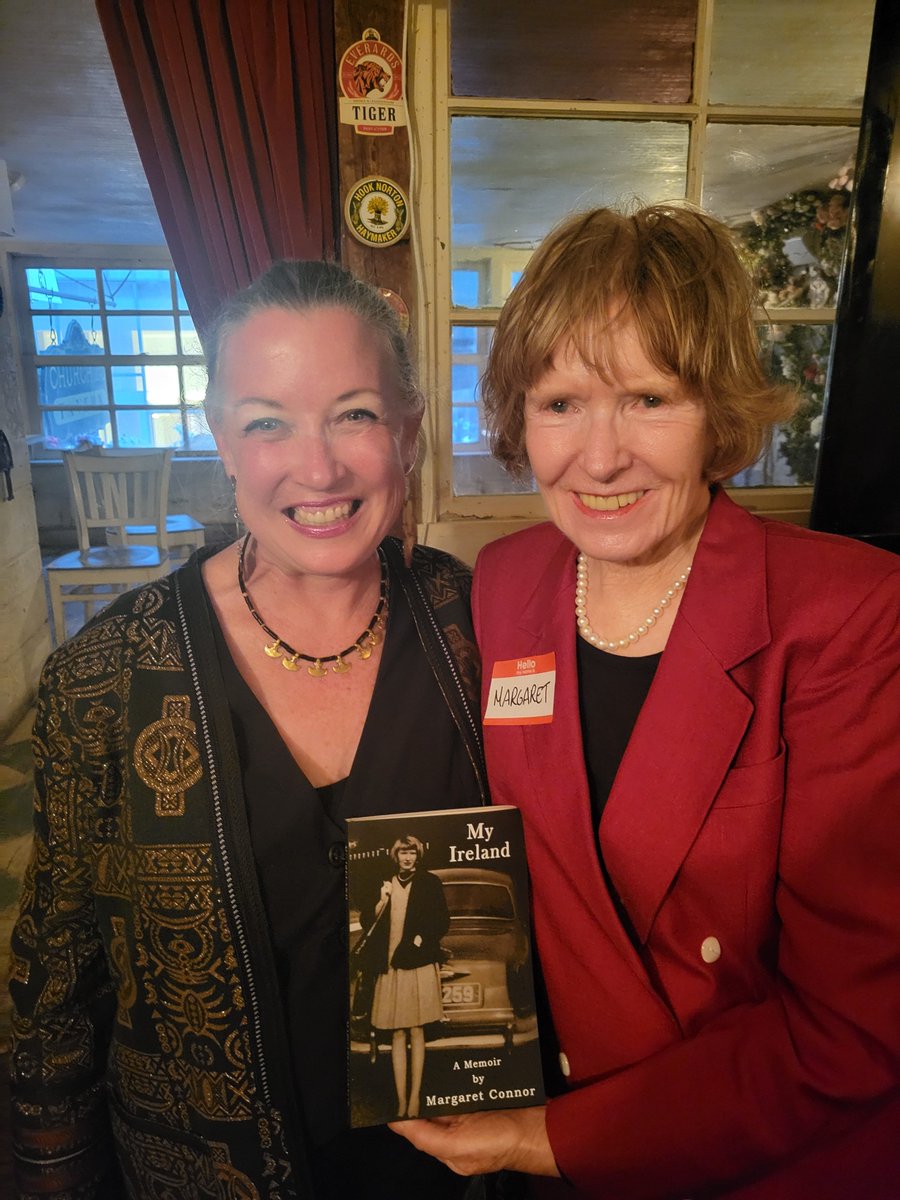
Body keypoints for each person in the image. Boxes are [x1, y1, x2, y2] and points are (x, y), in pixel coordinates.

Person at [392, 205, 900, 1197]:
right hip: (556, 1135)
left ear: (719, 413)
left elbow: (853, 1024)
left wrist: (547, 1138)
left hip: (760, 1151)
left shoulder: (849, 616)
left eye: (649, 399)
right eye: (560, 403)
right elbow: (494, 861)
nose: (602, 456)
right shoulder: (505, 582)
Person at [9, 261, 489, 1200]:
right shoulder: (104, 676)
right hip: (199, 1172)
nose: (318, 468)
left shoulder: (485, 630)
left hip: (456, 1169)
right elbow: (56, 981)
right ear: (221, 441)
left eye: (354, 413)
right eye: (267, 421)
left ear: (411, 430)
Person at [362, 834, 449, 1120]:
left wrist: (421, 939)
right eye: (403, 853)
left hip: (417, 963)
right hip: (390, 967)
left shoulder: (429, 883)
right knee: (397, 1032)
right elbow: (367, 922)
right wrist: (381, 901)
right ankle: (401, 1102)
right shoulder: (385, 885)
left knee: (416, 1030)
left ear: (417, 855)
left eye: (412, 853)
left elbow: (441, 920)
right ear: (396, 856)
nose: (407, 858)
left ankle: (415, 1099)